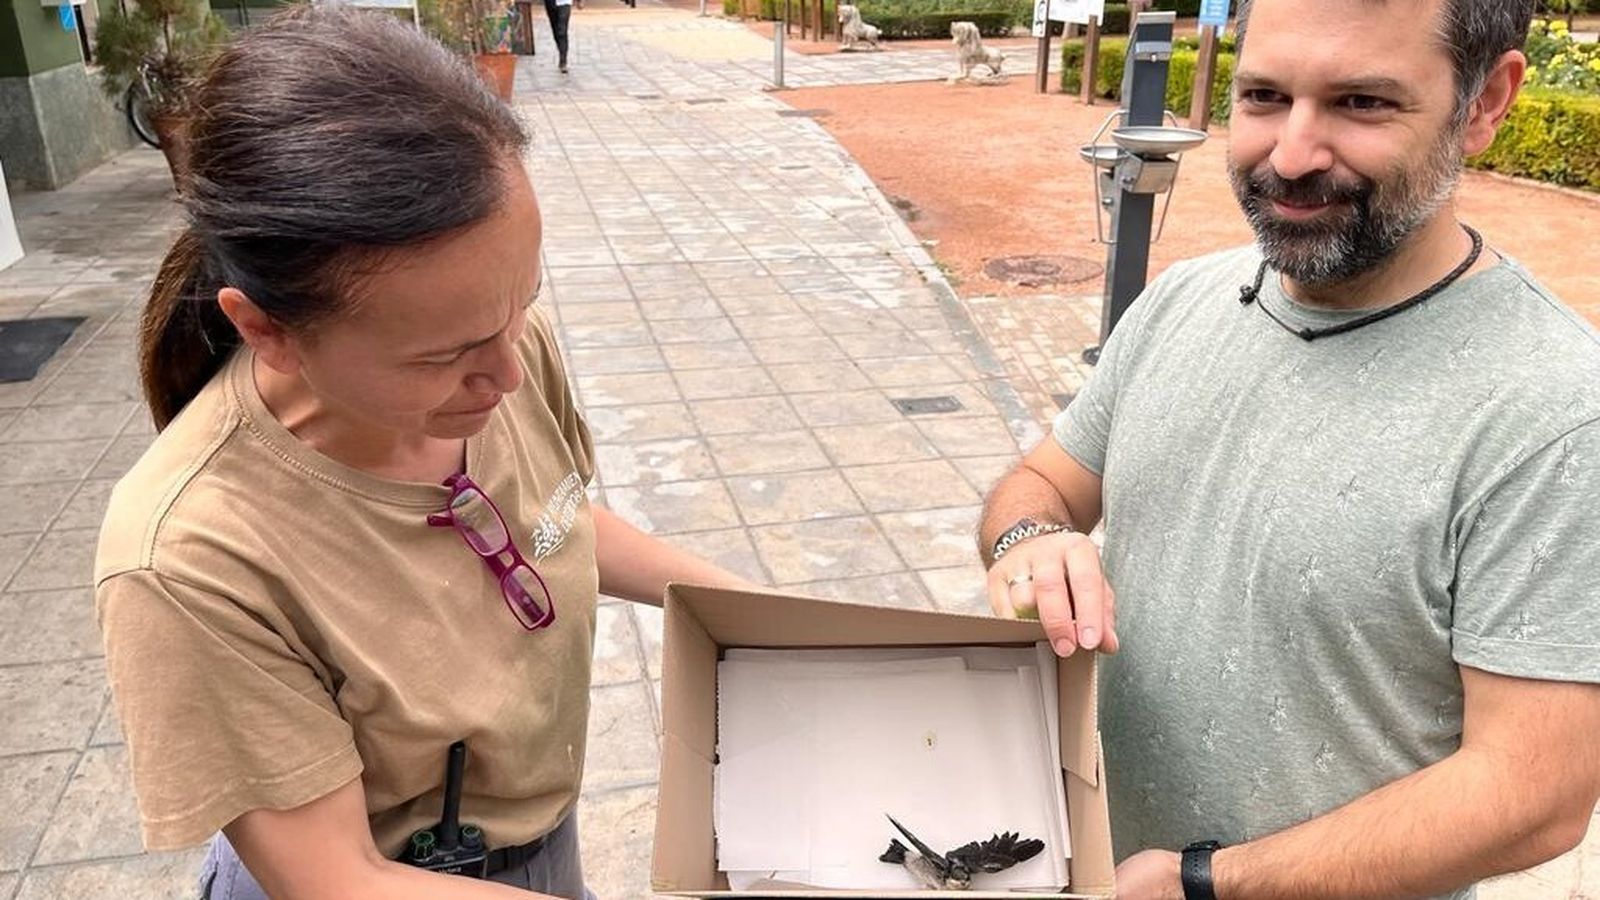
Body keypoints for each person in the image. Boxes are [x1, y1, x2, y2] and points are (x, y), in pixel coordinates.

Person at [94, 8, 754, 899]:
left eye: (518, 304)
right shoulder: (190, 558)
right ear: (268, 329)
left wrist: (757, 614)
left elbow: (554, 520)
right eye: (441, 356)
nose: (507, 376)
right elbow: (335, 877)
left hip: (533, 849)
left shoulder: (501, 356)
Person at [977, 1, 1600, 898]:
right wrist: (1025, 543)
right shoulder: (1180, 301)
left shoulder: (1557, 412)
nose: (1293, 154)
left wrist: (1209, 882)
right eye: (1265, 96)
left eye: (1362, 103)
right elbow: (1043, 482)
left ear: (1484, 102)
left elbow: (1534, 793)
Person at [544, 0, 572, 73]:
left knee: (562, 31)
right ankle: (561, 51)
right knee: (556, 31)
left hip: (565, 3)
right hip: (550, 3)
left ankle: (563, 61)